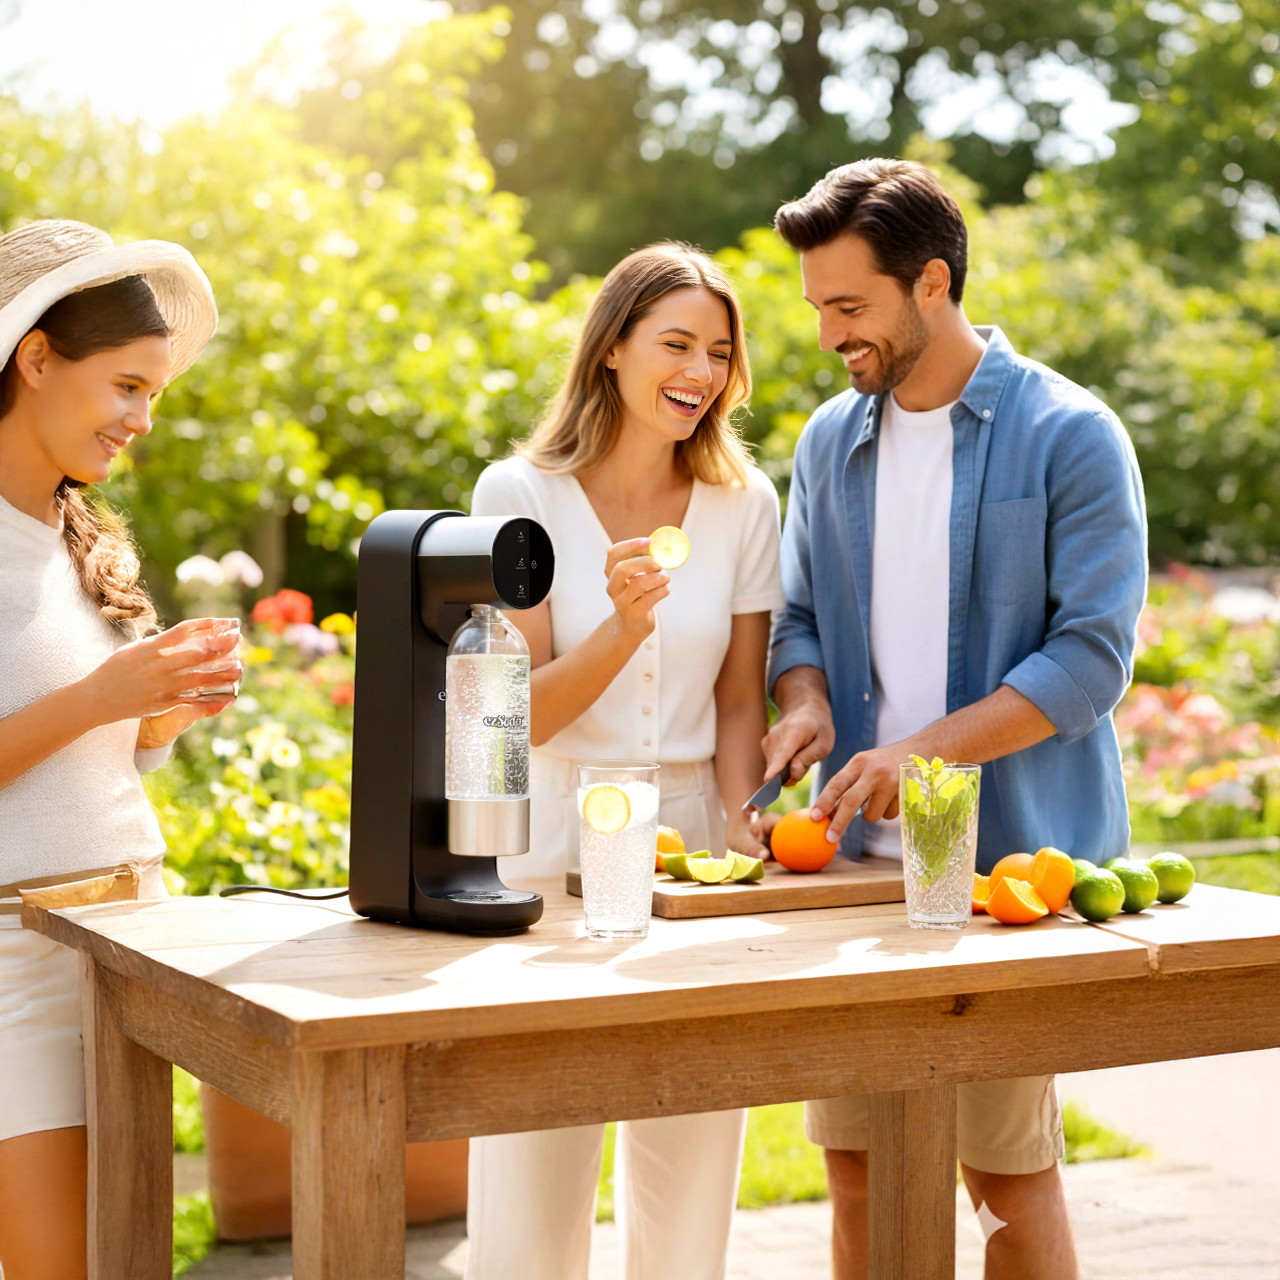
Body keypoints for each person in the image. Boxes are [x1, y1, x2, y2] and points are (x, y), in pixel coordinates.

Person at [760, 160, 1146, 1280]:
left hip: (999, 874)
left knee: (1005, 1175)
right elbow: (796, 617)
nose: (830, 333)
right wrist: (806, 702)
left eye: (849, 306)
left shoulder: (1070, 433)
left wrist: (914, 753)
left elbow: (1087, 659)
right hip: (853, 872)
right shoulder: (829, 440)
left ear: (930, 282)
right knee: (859, 1167)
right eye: (817, 308)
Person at [466, 242, 784, 1280]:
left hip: (691, 839)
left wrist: (745, 830)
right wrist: (619, 625)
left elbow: (740, 695)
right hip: (547, 839)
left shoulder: (742, 503)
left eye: (718, 351)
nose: (699, 371)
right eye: (675, 343)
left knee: (693, 1157)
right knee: (530, 1169)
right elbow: (513, 722)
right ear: (611, 350)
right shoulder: (517, 492)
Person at [0, 220, 241, 1280]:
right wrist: (103, 690)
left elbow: (94, 758)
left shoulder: (83, 538)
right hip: (17, 957)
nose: (142, 419)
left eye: (153, 393)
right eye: (126, 385)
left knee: (131, 1258)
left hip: (130, 944)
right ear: (36, 355)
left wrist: (162, 712)